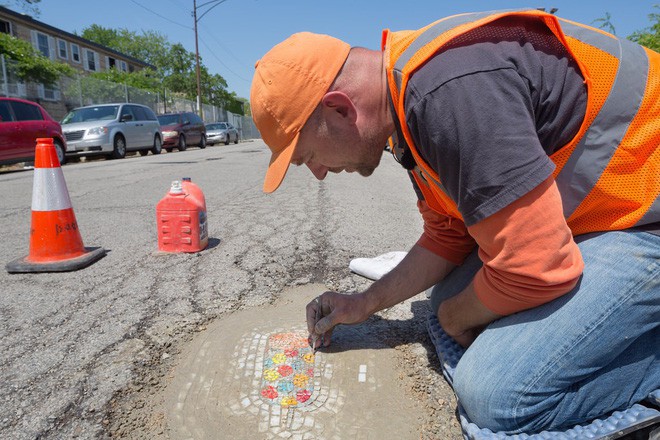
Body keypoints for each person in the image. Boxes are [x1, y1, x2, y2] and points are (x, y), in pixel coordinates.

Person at [250, 9, 660, 435]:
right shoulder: (406, 99)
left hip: (645, 220)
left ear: (338, 109)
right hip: (611, 209)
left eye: (307, 156)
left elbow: (535, 267)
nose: (317, 172)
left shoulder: (449, 92)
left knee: (496, 394)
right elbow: (449, 234)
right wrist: (366, 302)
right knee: (452, 291)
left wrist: (455, 319)